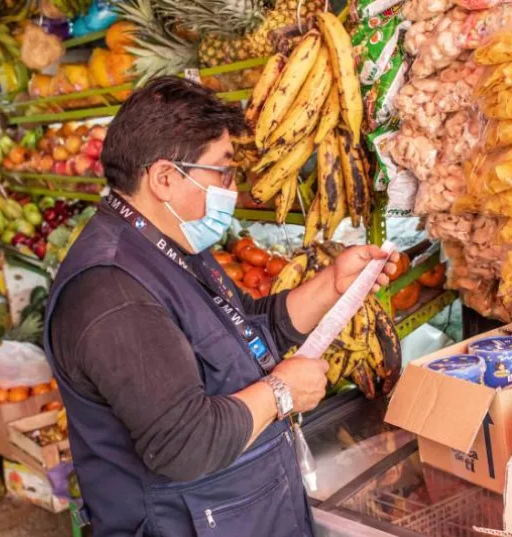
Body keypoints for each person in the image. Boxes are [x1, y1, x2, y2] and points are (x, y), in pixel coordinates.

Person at [43, 76, 398, 537]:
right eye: (222, 170)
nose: (233, 187)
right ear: (165, 178)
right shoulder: (112, 295)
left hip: (238, 511)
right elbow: (186, 443)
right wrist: (280, 393)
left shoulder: (166, 242)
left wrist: (333, 284)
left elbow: (245, 331)